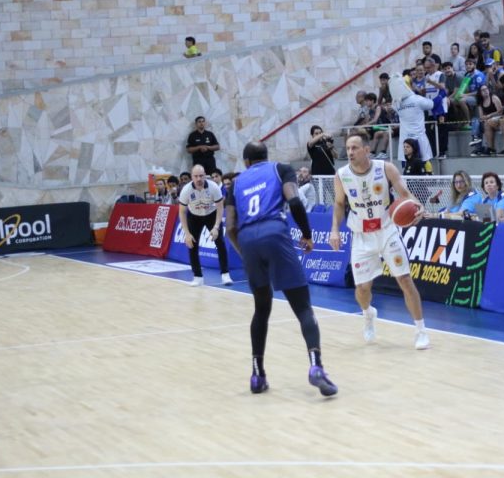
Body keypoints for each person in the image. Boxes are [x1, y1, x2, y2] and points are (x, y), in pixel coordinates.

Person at [225, 142, 337, 396]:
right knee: (303, 307)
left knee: (261, 309)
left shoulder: (237, 182)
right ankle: (316, 367)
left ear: (246, 162)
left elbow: (230, 227)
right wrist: (307, 234)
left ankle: (257, 375)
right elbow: (295, 201)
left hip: (247, 239)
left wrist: (245, 253)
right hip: (274, 232)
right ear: (267, 156)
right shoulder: (280, 169)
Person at [329, 134, 430, 350]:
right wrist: (334, 229)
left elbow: (405, 194)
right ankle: (368, 314)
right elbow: (339, 204)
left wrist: (418, 205)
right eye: (348, 148)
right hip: (361, 235)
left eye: (355, 147)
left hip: (386, 230)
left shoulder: (385, 169)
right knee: (362, 288)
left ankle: (421, 330)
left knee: (404, 279)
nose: (350, 152)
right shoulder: (341, 175)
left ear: (367, 150)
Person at [177, 165, 232, 287]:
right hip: (194, 216)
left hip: (211, 214)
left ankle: (225, 274)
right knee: (192, 244)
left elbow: (220, 207)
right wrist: (187, 233)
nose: (199, 179)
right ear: (192, 177)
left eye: (201, 176)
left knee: (220, 243)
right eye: (196, 176)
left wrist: (216, 227)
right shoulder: (186, 190)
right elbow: (182, 212)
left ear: (205, 175)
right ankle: (197, 277)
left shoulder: (213, 187)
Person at [390, 74, 434, 173]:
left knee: (407, 166)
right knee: (425, 163)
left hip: (405, 139)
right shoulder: (417, 99)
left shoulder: (396, 103)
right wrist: (441, 96)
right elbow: (431, 104)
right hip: (419, 138)